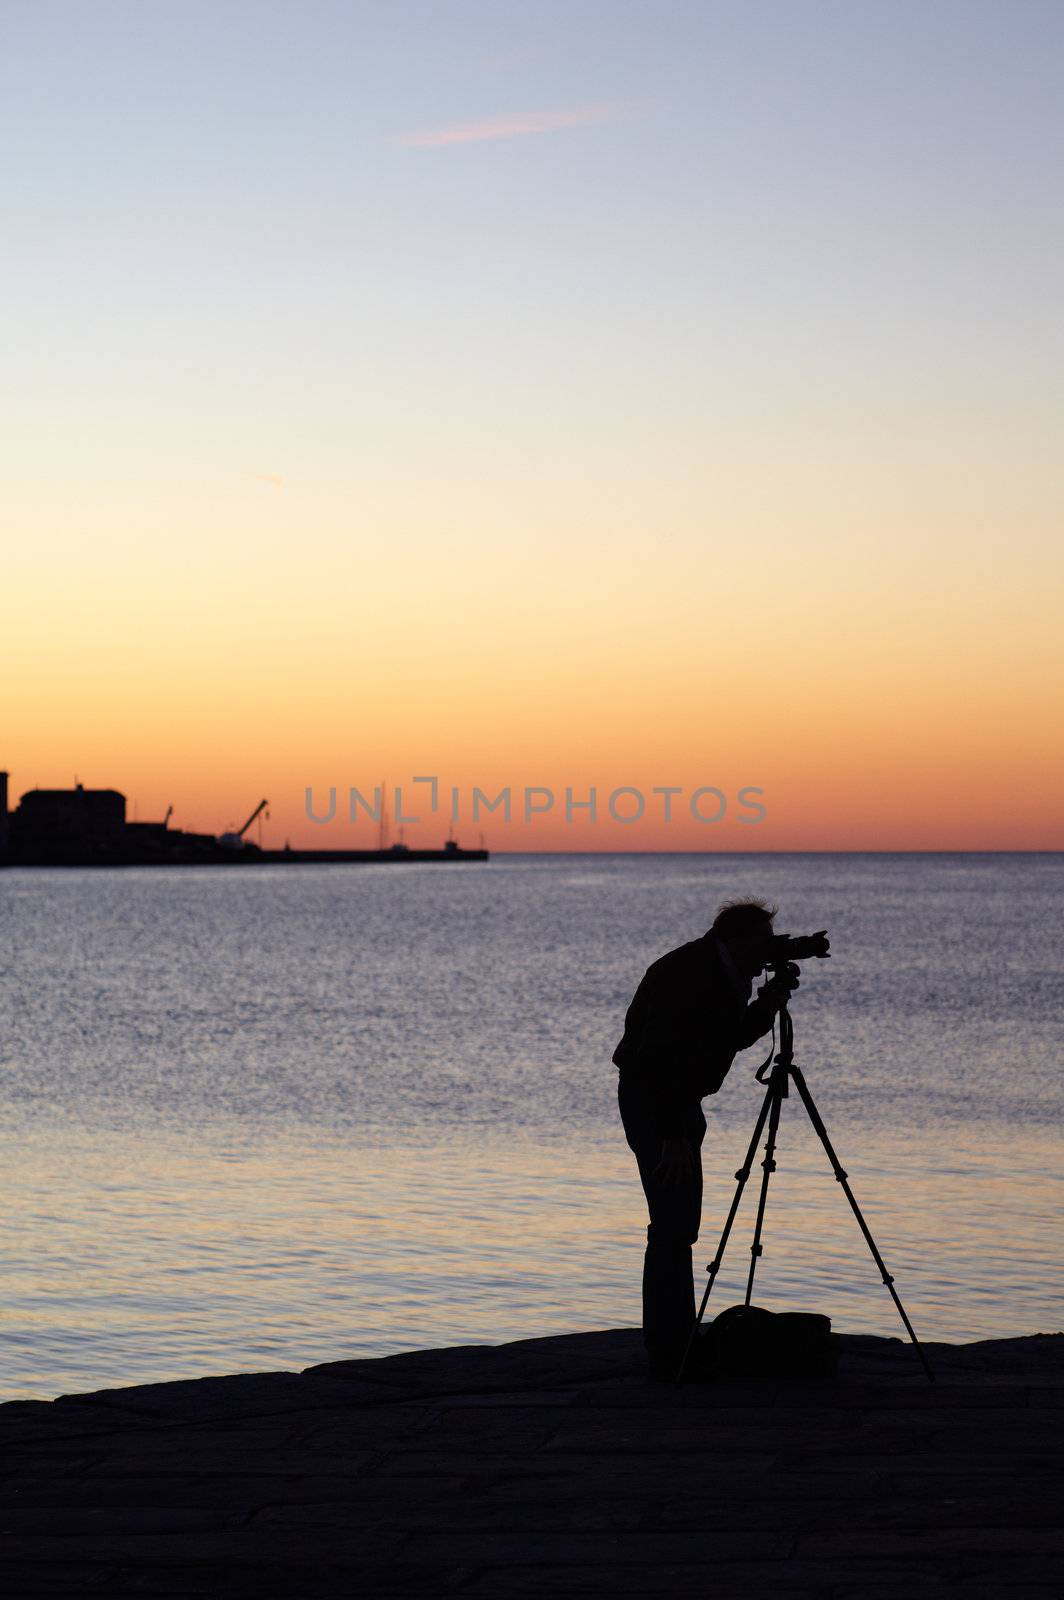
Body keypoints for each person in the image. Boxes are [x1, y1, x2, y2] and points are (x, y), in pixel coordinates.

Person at [613, 898, 800, 1379]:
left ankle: (674, 1342)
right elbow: (660, 1057)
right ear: (734, 940)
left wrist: (769, 1000)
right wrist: (674, 1135)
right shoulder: (688, 973)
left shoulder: (720, 971)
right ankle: (670, 1349)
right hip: (657, 1102)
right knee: (673, 1225)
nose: (766, 955)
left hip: (675, 1102)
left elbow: (728, 1037)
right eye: (761, 944)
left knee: (679, 1226)